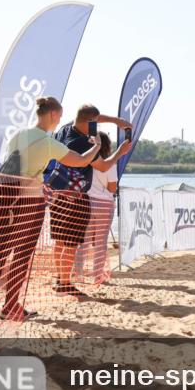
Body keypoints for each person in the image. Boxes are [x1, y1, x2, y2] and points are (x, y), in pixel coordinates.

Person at [0, 97, 102, 320]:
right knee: (22, 255)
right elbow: (81, 161)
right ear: (54, 115)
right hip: (28, 202)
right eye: (60, 116)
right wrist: (96, 146)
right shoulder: (48, 143)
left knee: (0, 250)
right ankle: (10, 306)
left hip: (5, 197)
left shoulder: (18, 135)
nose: (59, 121)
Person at [45, 104, 131, 298]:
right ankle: (65, 283)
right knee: (71, 243)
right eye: (95, 124)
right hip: (75, 197)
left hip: (58, 193)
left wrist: (116, 121)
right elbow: (103, 166)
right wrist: (121, 152)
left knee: (59, 240)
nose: (96, 128)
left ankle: (60, 279)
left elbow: (91, 117)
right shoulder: (83, 143)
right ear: (89, 123)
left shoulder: (65, 129)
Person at [82, 132, 118, 283]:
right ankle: (97, 275)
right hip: (104, 203)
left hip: (87, 201)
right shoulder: (109, 163)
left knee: (83, 241)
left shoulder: (85, 161)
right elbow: (112, 188)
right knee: (100, 242)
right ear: (107, 146)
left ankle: (77, 272)